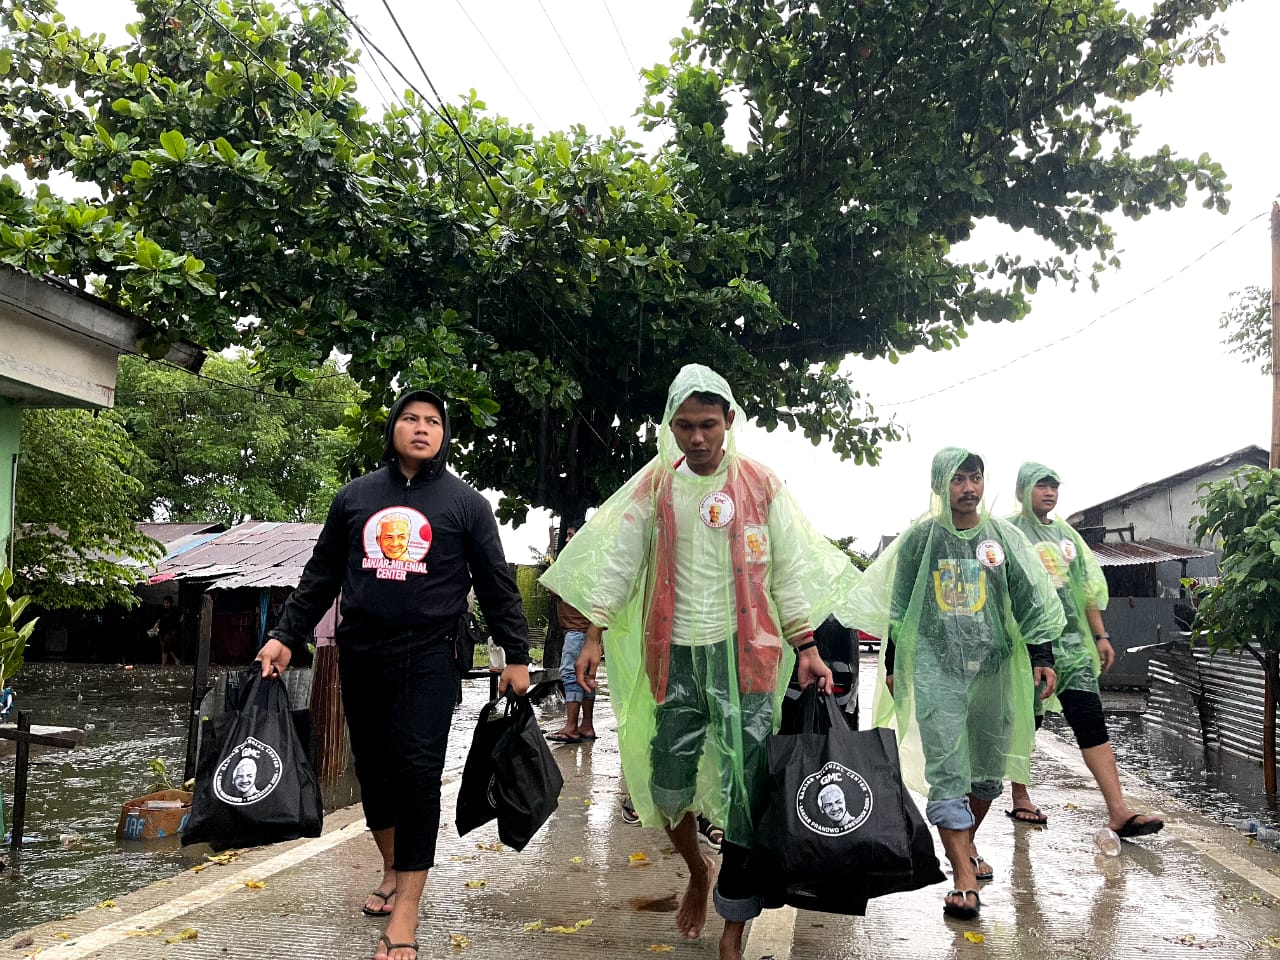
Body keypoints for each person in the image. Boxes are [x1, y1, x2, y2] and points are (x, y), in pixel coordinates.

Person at [541, 364, 856, 960]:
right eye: (684, 425)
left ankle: (733, 923)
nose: (697, 438)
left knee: (746, 787)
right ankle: (696, 869)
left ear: (729, 422)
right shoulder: (657, 486)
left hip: (749, 659)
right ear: (671, 426)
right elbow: (619, 563)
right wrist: (594, 634)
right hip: (677, 655)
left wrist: (807, 646)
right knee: (665, 787)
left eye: (708, 424)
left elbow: (786, 573)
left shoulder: (762, 486)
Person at [255, 389, 531, 960]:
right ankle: (390, 864)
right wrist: (286, 634)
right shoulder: (357, 497)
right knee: (374, 771)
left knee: (417, 773)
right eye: (411, 418)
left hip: (431, 657)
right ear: (393, 429)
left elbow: (497, 582)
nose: (422, 428)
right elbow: (322, 573)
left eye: (433, 421)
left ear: (444, 434)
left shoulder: (466, 504)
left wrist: (516, 655)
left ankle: (407, 907)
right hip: (362, 653)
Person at [853, 448, 1064, 921]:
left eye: (976, 478)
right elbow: (899, 606)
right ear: (939, 485)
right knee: (947, 768)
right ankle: (962, 876)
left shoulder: (1003, 538)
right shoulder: (920, 541)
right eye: (958, 479)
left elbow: (1031, 601)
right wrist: (891, 661)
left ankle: (965, 846)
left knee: (988, 773)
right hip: (936, 667)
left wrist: (1043, 656)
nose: (968, 488)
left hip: (995, 667)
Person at [1006, 463, 1164, 838]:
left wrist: (1101, 636)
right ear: (1023, 490)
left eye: (1054, 487)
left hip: (1073, 646)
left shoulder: (1066, 536)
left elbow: (1086, 587)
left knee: (1090, 718)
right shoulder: (1009, 533)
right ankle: (1020, 794)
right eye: (1041, 486)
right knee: (1029, 721)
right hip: (1026, 646)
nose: (1049, 493)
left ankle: (1118, 810)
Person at [544, 523, 597, 743]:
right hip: (586, 630)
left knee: (570, 674)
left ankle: (571, 726)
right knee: (586, 677)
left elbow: (553, 586)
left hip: (577, 630)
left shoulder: (577, 564)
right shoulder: (592, 561)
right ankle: (586, 725)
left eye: (570, 535)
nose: (567, 540)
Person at [157, 596, 182, 666]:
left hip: (169, 631)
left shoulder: (173, 611)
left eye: (167, 603)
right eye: (164, 603)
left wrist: (173, 632)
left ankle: (163, 664)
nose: (166, 604)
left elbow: (176, 622)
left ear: (170, 603)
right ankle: (176, 659)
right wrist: (155, 627)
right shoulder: (162, 610)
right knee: (165, 648)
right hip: (161, 631)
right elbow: (159, 619)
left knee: (165, 647)